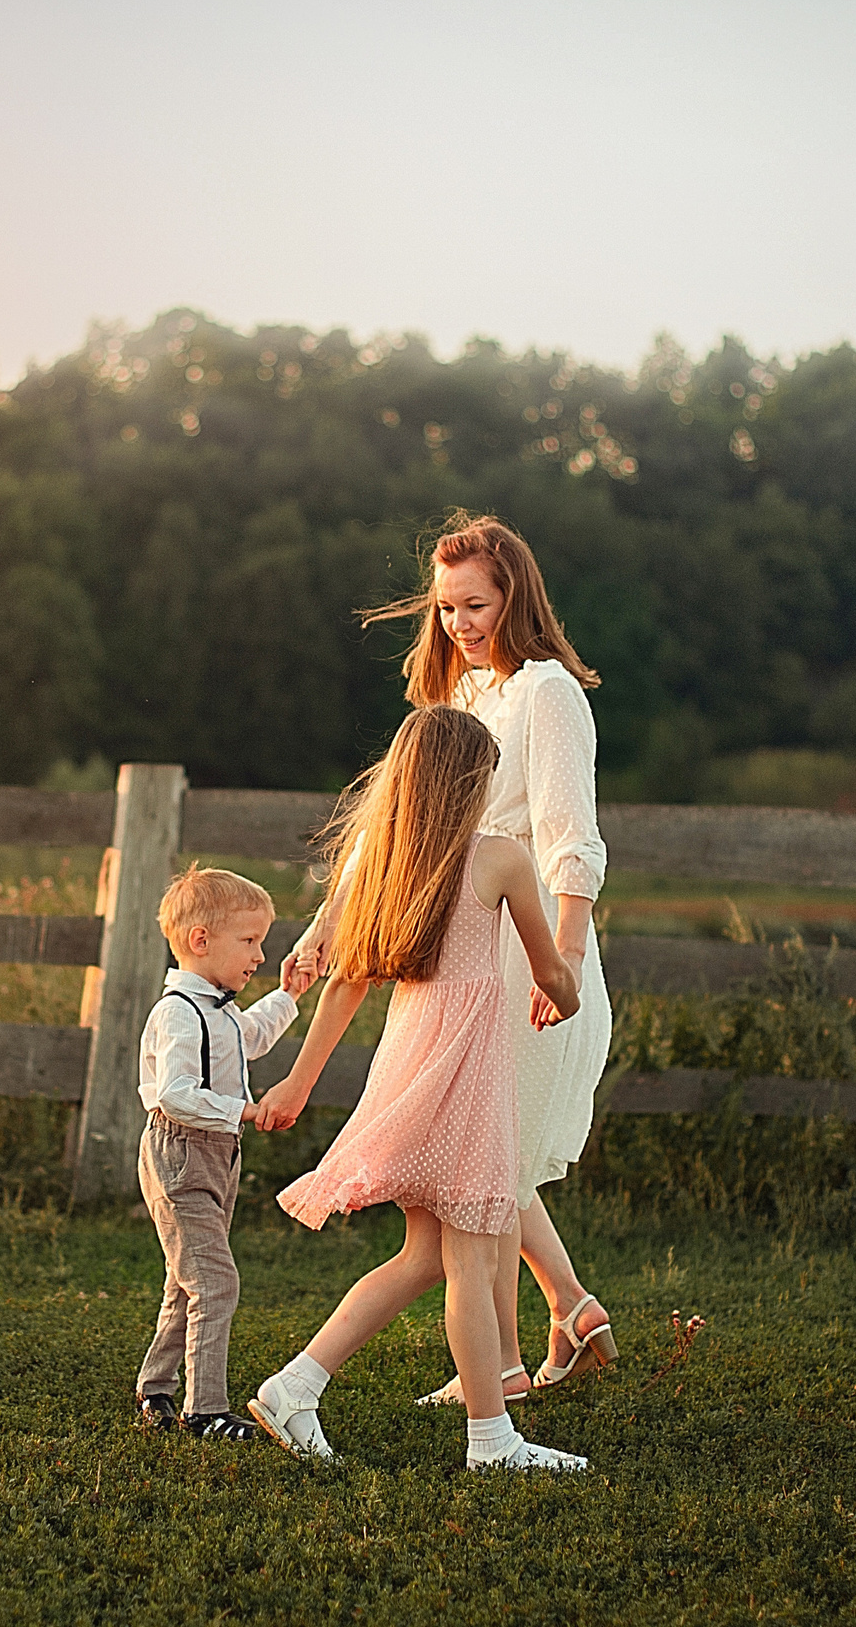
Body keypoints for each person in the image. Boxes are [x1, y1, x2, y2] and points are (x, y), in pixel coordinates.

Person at [285, 512, 620, 1401]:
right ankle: (544, 1330)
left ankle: (522, 1349)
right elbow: (398, 828)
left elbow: (568, 836)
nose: (459, 624)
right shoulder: (459, 700)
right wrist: (327, 924)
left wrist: (571, 959)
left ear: (515, 595)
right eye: (445, 609)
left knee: (487, 1158)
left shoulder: (548, 692)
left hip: (522, 944)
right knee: (484, 1158)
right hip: (459, 937)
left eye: (474, 604)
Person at [246, 707, 586, 1470]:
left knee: (429, 1253)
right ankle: (493, 1442)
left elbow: (346, 981)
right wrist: (566, 996)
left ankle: (295, 1386)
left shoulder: (380, 858)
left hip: (409, 1062)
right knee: (467, 1259)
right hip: (464, 1071)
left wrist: (300, 1082)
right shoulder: (498, 859)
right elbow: (551, 971)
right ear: (473, 783)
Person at [132, 866, 305, 1440]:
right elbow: (175, 1096)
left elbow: (251, 1038)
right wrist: (246, 1112)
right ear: (201, 941)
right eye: (249, 941)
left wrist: (290, 992)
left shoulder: (220, 1010)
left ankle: (156, 1388)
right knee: (214, 1281)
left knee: (188, 1280)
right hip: (180, 1154)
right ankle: (204, 1409)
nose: (259, 955)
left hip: (217, 1156)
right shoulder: (178, 1012)